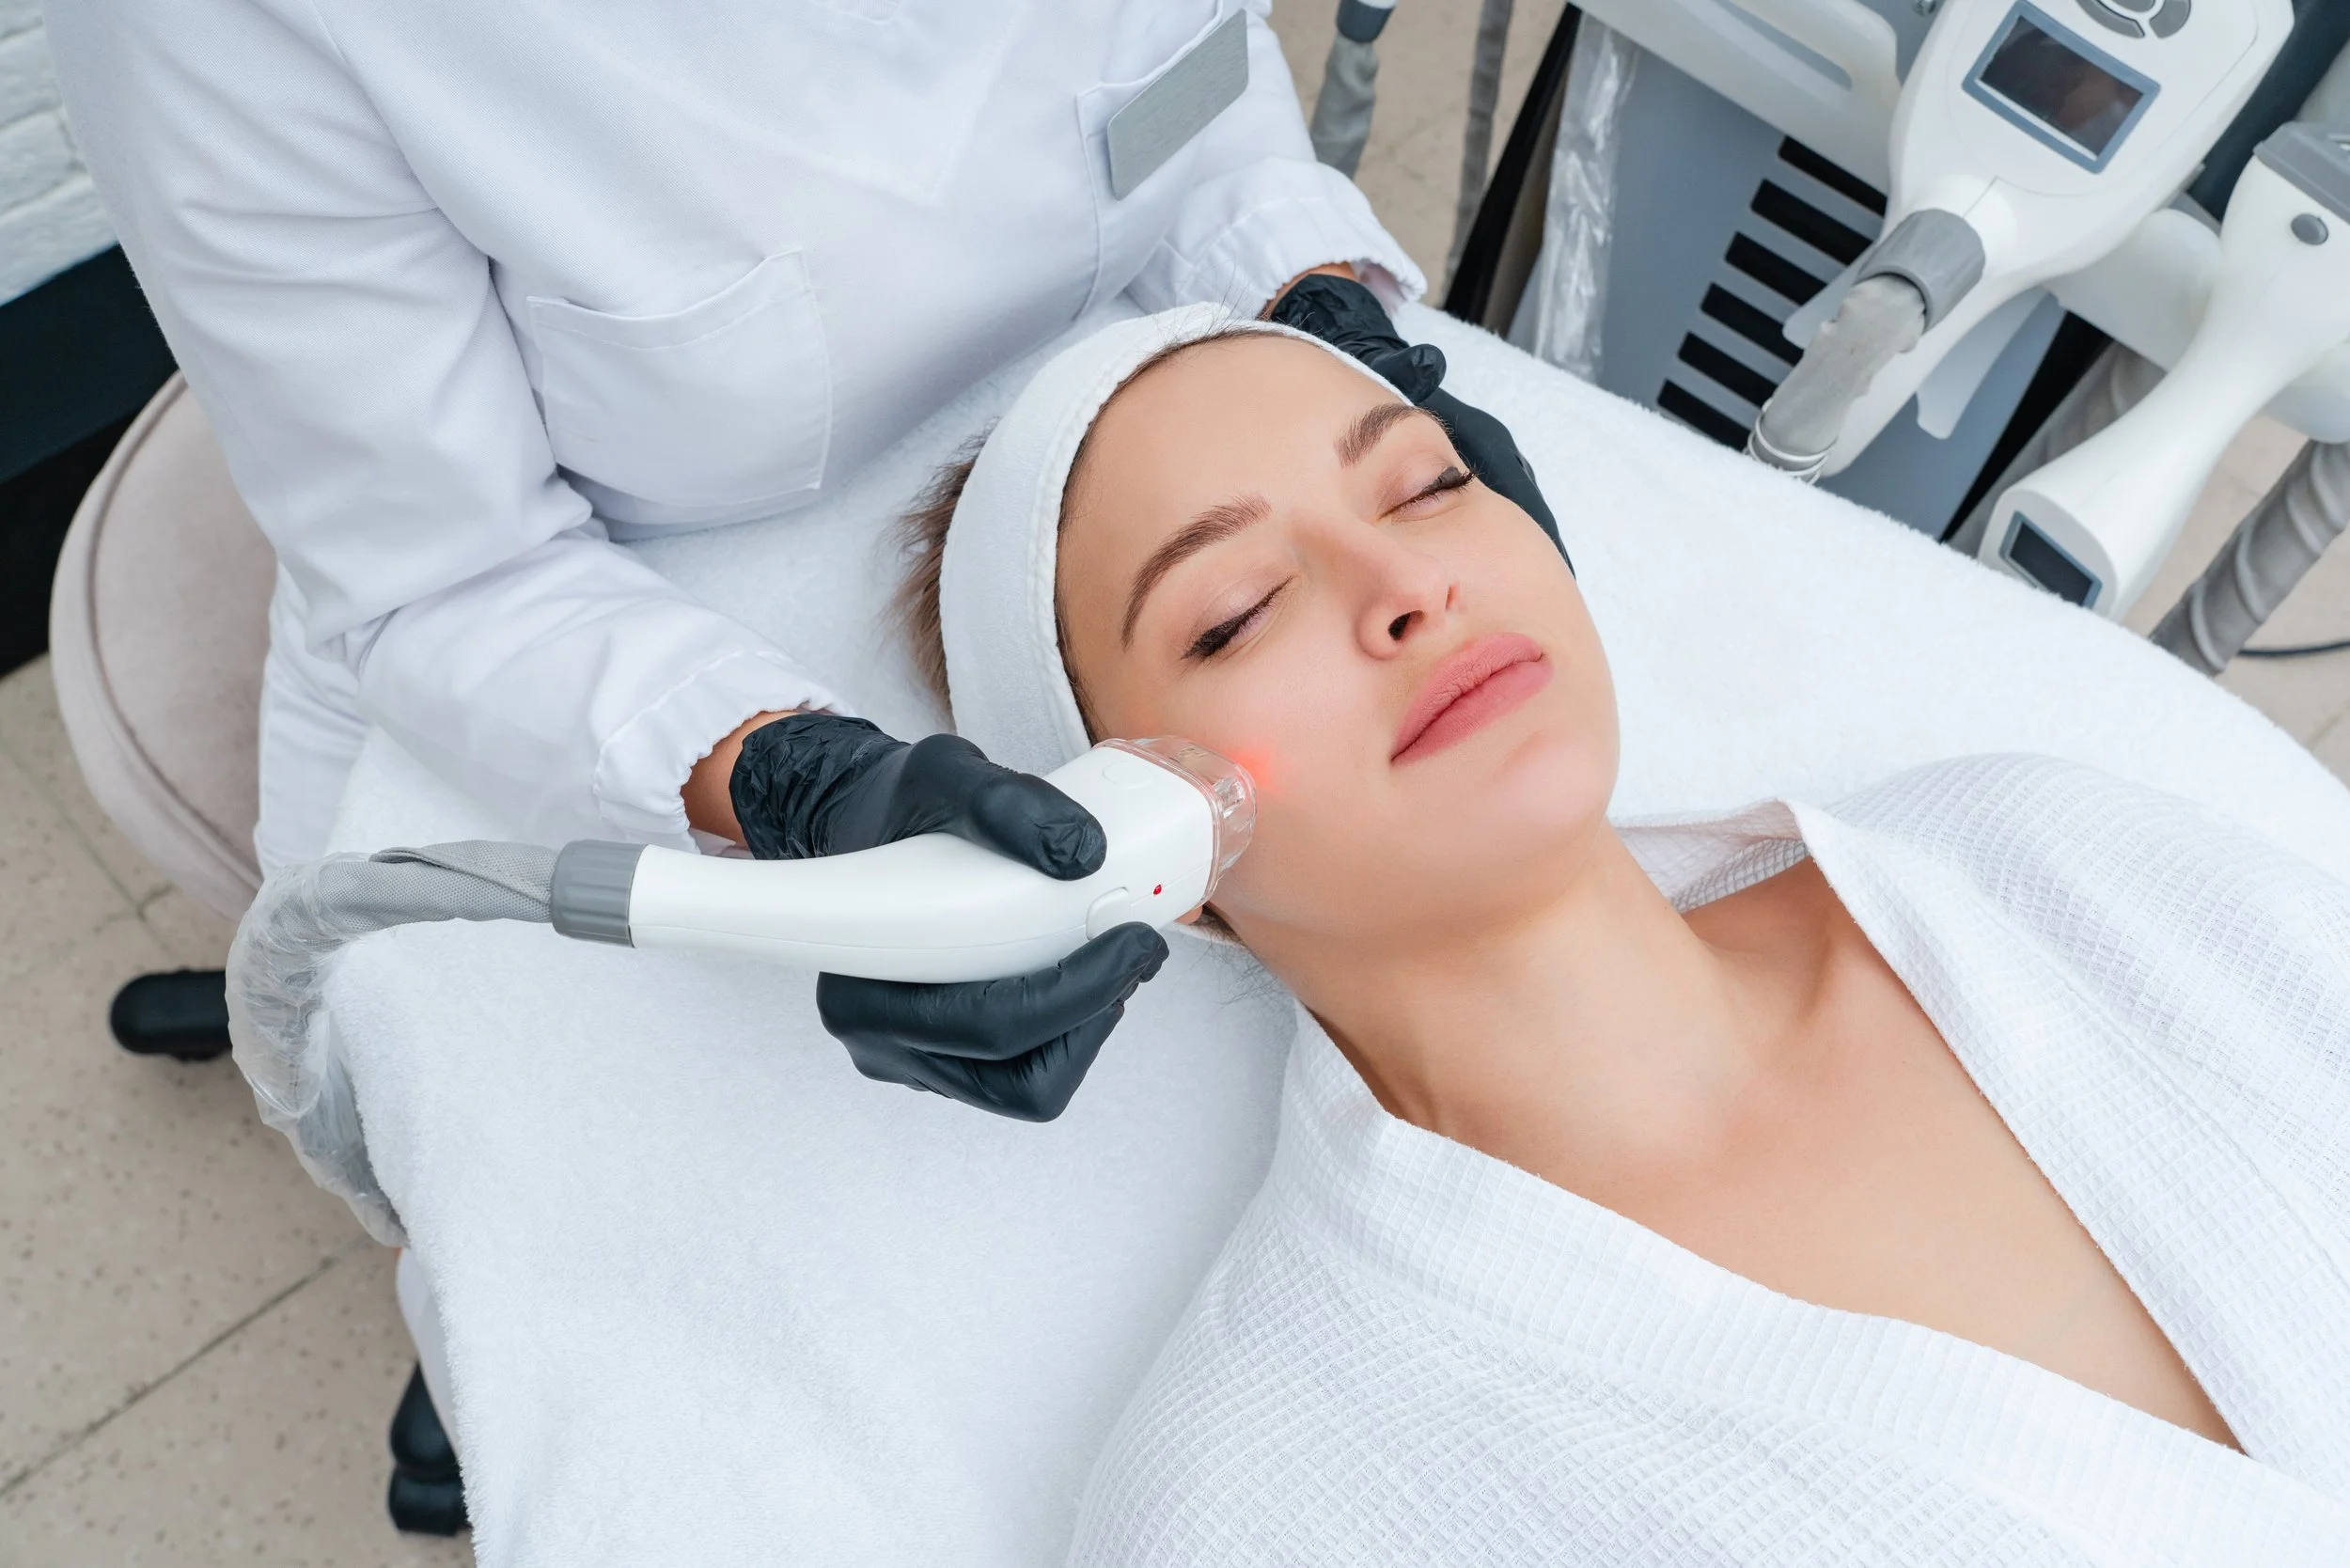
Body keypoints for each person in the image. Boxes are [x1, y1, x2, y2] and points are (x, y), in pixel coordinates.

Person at [896, 308, 2350, 1560]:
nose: (1413, 592)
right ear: (1136, 845)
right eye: (1239, 612)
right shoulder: (1257, 1498)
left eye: (1426, 486)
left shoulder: (2042, 859)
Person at [49, 0, 1483, 1119]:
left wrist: (1326, 321)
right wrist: (807, 793)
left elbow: (1193, 105)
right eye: (1231, 621)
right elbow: (452, 570)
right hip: (558, 658)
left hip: (1089, 444)